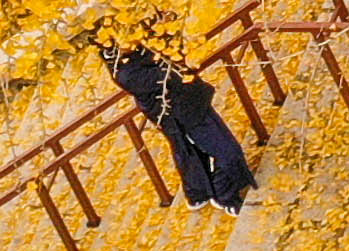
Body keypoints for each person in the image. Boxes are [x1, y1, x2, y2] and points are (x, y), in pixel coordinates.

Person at [102, 43, 257, 214]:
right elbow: (171, 74)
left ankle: (201, 193)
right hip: (180, 112)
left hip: (185, 105)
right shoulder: (127, 73)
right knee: (224, 151)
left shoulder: (135, 51)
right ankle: (223, 194)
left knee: (192, 152)